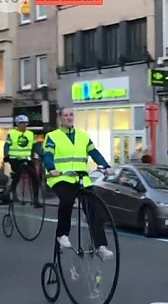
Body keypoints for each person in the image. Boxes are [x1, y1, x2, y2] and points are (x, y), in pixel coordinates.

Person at [43, 107, 114, 259]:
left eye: (71, 115)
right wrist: (51, 168)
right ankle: (62, 235)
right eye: (65, 115)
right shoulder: (53, 136)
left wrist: (105, 165)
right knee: (67, 200)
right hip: (61, 177)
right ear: (60, 118)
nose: (69, 117)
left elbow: (94, 152)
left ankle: (100, 246)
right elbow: (48, 155)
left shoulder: (83, 136)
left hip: (81, 178)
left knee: (94, 208)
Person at [4, 115, 42, 206]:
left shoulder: (30, 134)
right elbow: (7, 145)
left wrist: (42, 155)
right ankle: (12, 193)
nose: (24, 126)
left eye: (25, 124)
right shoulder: (12, 133)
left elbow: (35, 146)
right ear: (17, 124)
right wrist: (6, 155)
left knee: (35, 177)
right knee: (18, 174)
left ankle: (36, 200)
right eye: (22, 124)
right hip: (15, 159)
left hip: (27, 158)